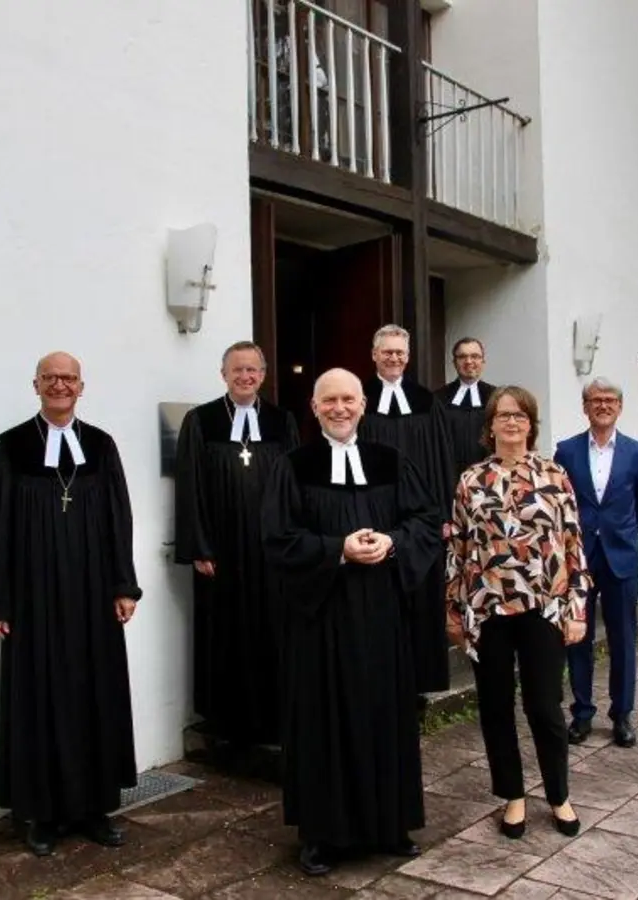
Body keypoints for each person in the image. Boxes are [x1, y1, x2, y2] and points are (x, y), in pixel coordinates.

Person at [262, 368, 444, 877]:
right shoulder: (293, 465)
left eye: (348, 399)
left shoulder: (391, 460)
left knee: (384, 713)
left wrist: (393, 543)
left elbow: (425, 522)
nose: (340, 408)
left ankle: (390, 825)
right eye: (329, 401)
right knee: (323, 722)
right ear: (314, 407)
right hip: (321, 620)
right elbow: (278, 539)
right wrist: (336, 550)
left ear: (363, 405)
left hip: (381, 615)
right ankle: (321, 835)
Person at [0, 351, 142, 856]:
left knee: (95, 694)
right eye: (51, 378)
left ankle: (94, 809)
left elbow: (120, 518)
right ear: (36, 385)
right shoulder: (10, 447)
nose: (60, 385)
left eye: (68, 378)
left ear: (81, 387)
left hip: (93, 596)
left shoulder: (101, 445)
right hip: (34, 599)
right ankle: (40, 815)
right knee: (38, 698)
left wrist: (124, 586)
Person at [446, 386, 590, 840]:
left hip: (543, 607)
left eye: (520, 415)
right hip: (487, 607)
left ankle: (559, 795)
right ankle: (513, 797)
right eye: (503, 415)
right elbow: (458, 547)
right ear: (490, 426)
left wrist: (578, 607)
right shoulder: (471, 480)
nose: (511, 422)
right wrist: (453, 607)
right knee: (495, 706)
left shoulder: (555, 476)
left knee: (544, 706)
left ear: (531, 424)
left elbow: (572, 545)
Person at [173, 341, 300, 748]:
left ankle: (274, 715)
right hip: (222, 551)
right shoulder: (202, 421)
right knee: (224, 630)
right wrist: (199, 546)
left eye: (253, 371)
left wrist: (294, 540)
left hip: (270, 549)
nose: (245, 377)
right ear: (223, 374)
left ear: (263, 376)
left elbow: (295, 486)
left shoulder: (282, 422)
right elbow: (189, 486)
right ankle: (226, 721)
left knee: (272, 627)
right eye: (237, 370)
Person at [553, 378, 638, 747]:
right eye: (595, 400)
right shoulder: (565, 452)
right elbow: (559, 504)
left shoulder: (637, 453)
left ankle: (622, 714)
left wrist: (619, 534)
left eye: (610, 400)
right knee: (577, 636)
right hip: (578, 558)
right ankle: (582, 712)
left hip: (621, 559)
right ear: (585, 406)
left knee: (623, 637)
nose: (603, 405)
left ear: (620, 406)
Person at [358, 324, 456, 697]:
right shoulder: (359, 398)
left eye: (400, 352)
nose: (394, 358)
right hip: (373, 513)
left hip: (418, 520)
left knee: (419, 594)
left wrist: (444, 513)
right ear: (374, 354)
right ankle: (378, 678)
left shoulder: (428, 403)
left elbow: (443, 460)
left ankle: (416, 680)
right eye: (387, 352)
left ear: (408, 357)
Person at [434, 337, 497, 475]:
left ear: (483, 361)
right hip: (449, 474)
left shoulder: (497, 397)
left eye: (475, 356)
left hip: (489, 475)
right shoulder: (438, 398)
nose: (469, 361)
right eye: (462, 357)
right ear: (454, 362)